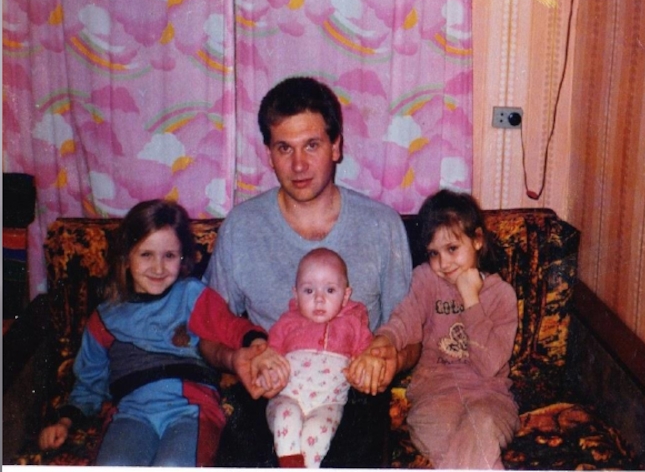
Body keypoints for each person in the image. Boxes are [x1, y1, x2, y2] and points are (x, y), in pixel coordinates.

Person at [201, 76, 419, 467]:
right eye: (284, 148)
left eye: (312, 145)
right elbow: (206, 333)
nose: (298, 165)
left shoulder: (382, 225)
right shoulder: (241, 227)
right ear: (269, 153)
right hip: (273, 384)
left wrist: (391, 360)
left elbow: (412, 334)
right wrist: (237, 360)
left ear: (336, 147)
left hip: (352, 389)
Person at [37, 199, 268, 466]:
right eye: (146, 255)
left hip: (191, 408)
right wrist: (65, 421)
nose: (158, 268)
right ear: (126, 258)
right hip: (130, 412)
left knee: (173, 465)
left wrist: (256, 342)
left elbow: (229, 326)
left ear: (182, 259)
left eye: (169, 256)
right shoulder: (104, 318)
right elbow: (89, 383)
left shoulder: (191, 295)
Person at [349, 189, 519, 469]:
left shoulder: (501, 295)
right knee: (469, 450)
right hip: (434, 399)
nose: (444, 263)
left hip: (490, 399)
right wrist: (384, 341)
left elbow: (489, 366)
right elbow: (405, 319)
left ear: (477, 239)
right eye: (434, 253)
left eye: (452, 249)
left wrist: (471, 300)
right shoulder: (425, 280)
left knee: (481, 426)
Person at [261, 248, 380, 468]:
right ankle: (289, 464)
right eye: (308, 290)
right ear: (296, 294)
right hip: (287, 396)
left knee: (317, 433)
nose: (319, 299)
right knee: (287, 416)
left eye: (330, 290)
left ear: (346, 295)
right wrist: (268, 373)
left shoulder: (354, 324)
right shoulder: (287, 322)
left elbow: (366, 356)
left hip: (328, 403)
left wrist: (362, 372)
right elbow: (270, 355)